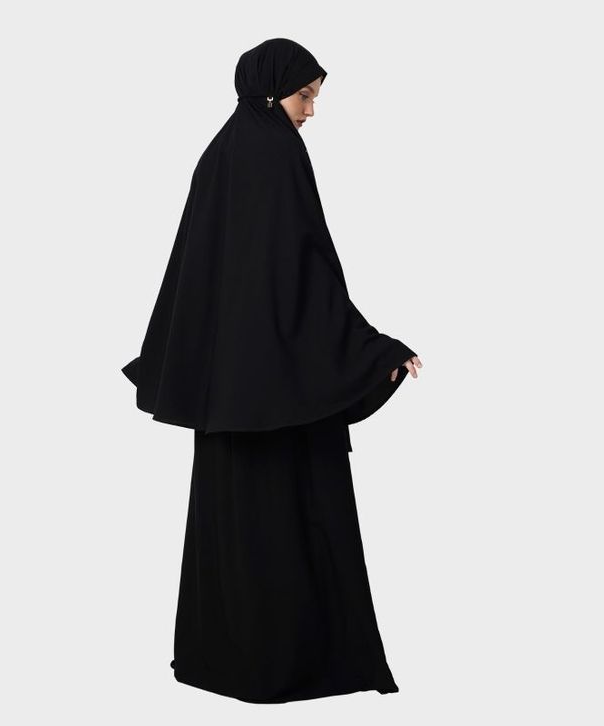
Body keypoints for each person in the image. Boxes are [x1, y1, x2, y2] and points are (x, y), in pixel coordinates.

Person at [122, 37, 422, 704]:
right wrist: (372, 351)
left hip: (229, 393)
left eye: (314, 96)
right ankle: (295, 665)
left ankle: (225, 662)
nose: (311, 111)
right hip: (285, 390)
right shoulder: (277, 153)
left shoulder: (221, 153)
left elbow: (206, 279)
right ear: (268, 91)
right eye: (304, 95)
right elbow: (306, 272)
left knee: (235, 523)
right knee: (294, 519)